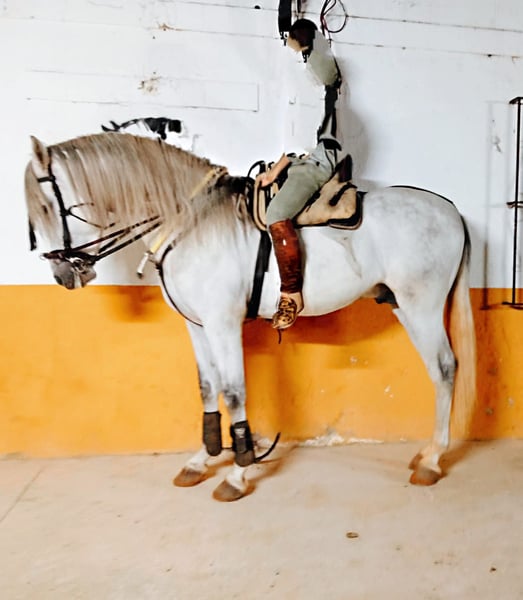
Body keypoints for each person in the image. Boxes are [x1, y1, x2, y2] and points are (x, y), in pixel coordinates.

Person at [257, 18, 342, 330]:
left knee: (276, 214)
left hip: (317, 161)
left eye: (291, 41)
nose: (287, 46)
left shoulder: (319, 74)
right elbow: (294, 144)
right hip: (302, 159)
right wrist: (273, 171)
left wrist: (307, 47)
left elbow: (303, 145)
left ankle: (291, 294)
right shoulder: (301, 82)